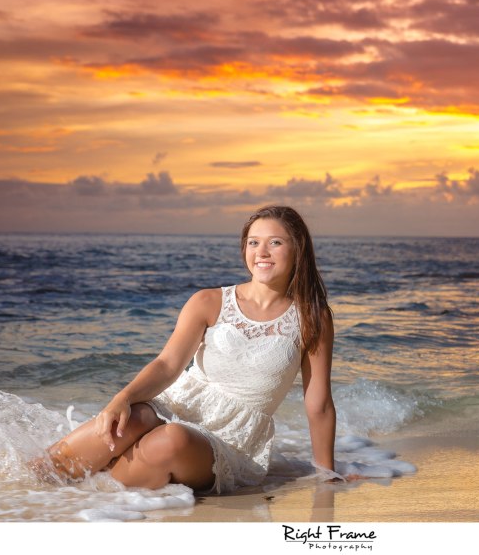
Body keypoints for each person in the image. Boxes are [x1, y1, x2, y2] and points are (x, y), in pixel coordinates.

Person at [36, 205, 338, 494]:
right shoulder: (209, 301)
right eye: (253, 242)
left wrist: (327, 475)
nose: (261, 252)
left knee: (172, 439)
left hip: (231, 439)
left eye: (275, 242)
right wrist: (122, 398)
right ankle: (28, 484)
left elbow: (319, 403)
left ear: (297, 248)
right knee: (134, 417)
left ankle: (89, 496)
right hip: (180, 405)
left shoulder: (312, 318)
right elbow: (168, 365)